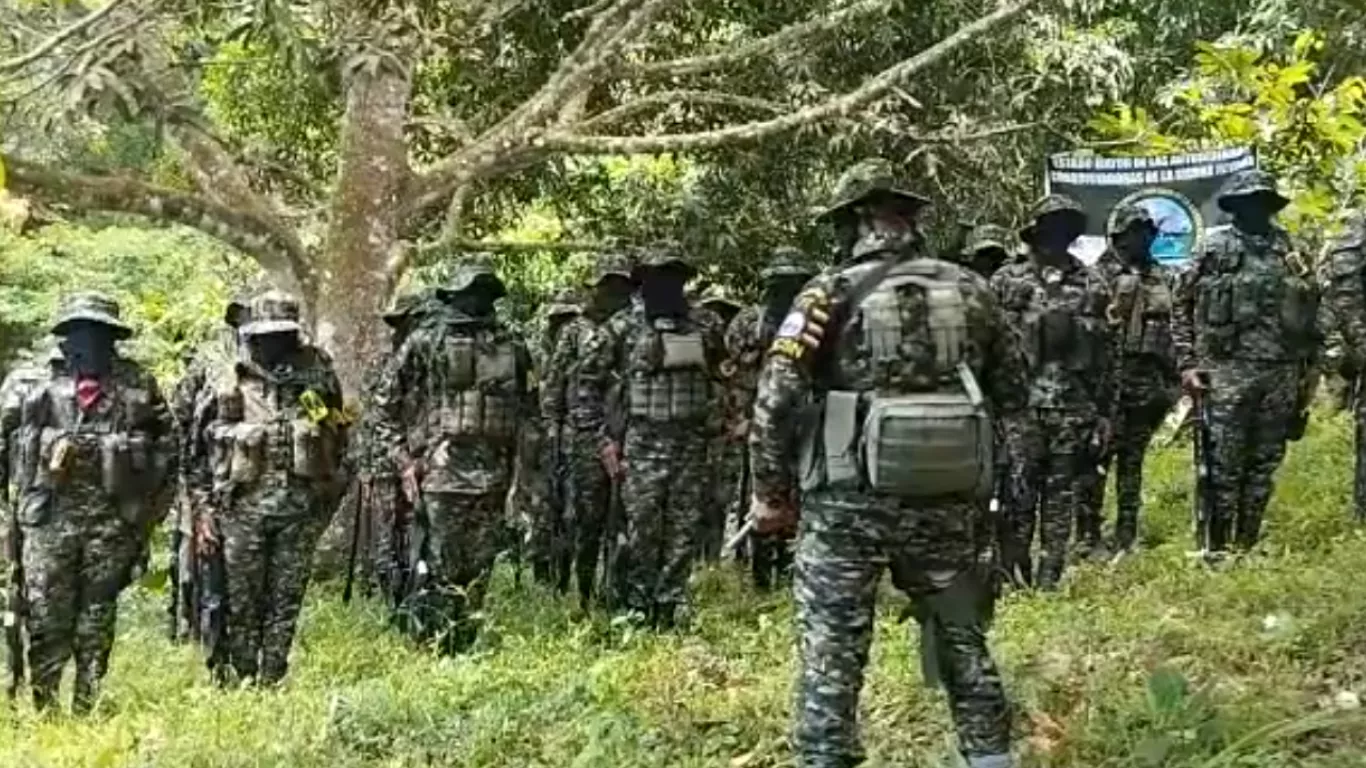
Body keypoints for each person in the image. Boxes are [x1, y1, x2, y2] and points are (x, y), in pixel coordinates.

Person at [750, 159, 1024, 768]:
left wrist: (770, 494)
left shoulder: (826, 293)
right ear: (909, 220)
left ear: (852, 222)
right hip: (946, 500)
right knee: (961, 639)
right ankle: (990, 757)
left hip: (846, 505)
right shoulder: (972, 290)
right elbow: (1014, 393)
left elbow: (776, 396)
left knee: (832, 655)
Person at [14, 293, 174, 712]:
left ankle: (88, 700)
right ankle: (46, 705)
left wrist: (147, 518)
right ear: (65, 336)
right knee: (46, 614)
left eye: (101, 334)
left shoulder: (138, 385)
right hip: (48, 521)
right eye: (81, 332)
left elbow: (169, 450)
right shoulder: (32, 383)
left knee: (97, 616)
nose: (91, 343)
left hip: (112, 524)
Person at [377, 257, 534, 652]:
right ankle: (435, 643)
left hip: (494, 475)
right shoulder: (426, 341)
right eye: (470, 291)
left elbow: (529, 410)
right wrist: (404, 462)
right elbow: (385, 405)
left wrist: (524, 476)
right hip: (441, 473)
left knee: (480, 566)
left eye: (484, 292)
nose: (476, 300)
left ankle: (465, 641)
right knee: (441, 565)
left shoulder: (512, 344)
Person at [201, 290, 347, 684]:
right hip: (241, 513)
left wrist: (325, 496)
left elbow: (339, 434)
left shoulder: (317, 376)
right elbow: (196, 451)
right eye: (266, 337)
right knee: (242, 599)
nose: (273, 345)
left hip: (298, 510)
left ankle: (273, 675)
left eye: (282, 336)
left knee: (286, 598)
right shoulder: (229, 380)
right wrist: (203, 512)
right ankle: (243, 672)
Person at [1175, 169, 1319, 554]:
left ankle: (1247, 544)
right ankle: (1218, 546)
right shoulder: (1212, 248)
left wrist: (1309, 372)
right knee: (1223, 464)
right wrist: (1188, 364)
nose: (1256, 208)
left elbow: (1313, 308)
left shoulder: (1290, 250)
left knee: (1264, 464)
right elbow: (1181, 304)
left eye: (1262, 201)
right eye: (1248, 201)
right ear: (1235, 206)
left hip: (1280, 372)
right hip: (1226, 372)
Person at [580, 245, 724, 627]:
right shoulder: (621, 328)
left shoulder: (706, 326)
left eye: (673, 277)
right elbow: (587, 386)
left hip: (690, 446)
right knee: (641, 530)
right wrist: (603, 442)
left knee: (684, 530)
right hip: (641, 445)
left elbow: (723, 378)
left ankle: (670, 607)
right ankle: (637, 608)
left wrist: (721, 426)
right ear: (642, 283)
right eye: (658, 277)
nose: (666, 285)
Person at [992, 195, 1113, 589]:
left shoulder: (1092, 282)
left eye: (1066, 227)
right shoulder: (1006, 280)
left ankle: (1049, 577)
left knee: (1060, 494)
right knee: (1017, 494)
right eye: (1051, 226)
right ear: (1037, 230)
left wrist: (1105, 413)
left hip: (1073, 407)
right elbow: (984, 346)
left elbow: (1109, 353)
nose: (1058, 234)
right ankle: (1015, 574)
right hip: (1019, 408)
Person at [541, 254, 635, 608]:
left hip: (629, 434)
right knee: (584, 518)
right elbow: (555, 385)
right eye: (606, 287)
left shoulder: (636, 327)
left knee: (625, 519)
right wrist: (554, 430)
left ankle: (617, 591)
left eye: (619, 287)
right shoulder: (574, 332)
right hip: (582, 436)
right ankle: (582, 591)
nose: (611, 295)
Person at [723, 246, 815, 588]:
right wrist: (740, 419)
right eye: (779, 284)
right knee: (760, 496)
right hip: (760, 426)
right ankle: (760, 577)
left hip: (806, 425)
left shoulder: (816, 321)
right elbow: (735, 377)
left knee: (801, 499)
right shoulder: (748, 323)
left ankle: (793, 572)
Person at [1095, 205, 1178, 552]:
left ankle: (1126, 533)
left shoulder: (1162, 276)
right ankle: (1088, 533)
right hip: (1105, 383)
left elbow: (1175, 328)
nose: (1142, 237)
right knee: (1097, 458)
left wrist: (1171, 383)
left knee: (1132, 460)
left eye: (1147, 230)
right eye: (1134, 230)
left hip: (1146, 381)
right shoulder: (1097, 275)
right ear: (1119, 236)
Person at [170, 295, 246, 667]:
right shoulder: (212, 359)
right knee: (192, 556)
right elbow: (180, 414)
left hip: (242, 479)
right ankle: (188, 624)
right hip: (201, 472)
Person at [357, 289, 441, 616]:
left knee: (419, 530)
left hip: (424, 460)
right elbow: (371, 418)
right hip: (385, 462)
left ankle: (418, 599)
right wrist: (366, 467)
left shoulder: (433, 361)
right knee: (387, 536)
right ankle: (393, 603)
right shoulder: (382, 365)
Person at [528, 288, 582, 590]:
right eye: (559, 320)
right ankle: (541, 576)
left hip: (573, 443)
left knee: (571, 512)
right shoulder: (537, 356)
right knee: (541, 511)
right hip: (541, 445)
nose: (563, 326)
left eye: (569, 319)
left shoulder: (583, 357)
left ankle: (563, 576)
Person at [699, 287, 744, 562]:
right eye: (713, 312)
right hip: (700, 442)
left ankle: (714, 562)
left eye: (725, 313)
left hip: (729, 442)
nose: (719, 320)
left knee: (722, 502)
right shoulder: (698, 362)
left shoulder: (740, 360)